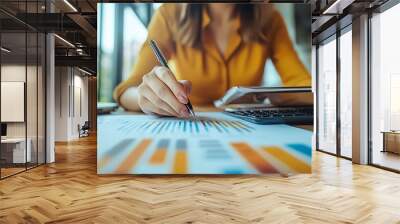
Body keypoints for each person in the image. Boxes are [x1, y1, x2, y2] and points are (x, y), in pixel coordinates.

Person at [113, 3, 311, 117]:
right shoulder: (169, 14)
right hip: (190, 123)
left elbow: (305, 86)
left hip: (251, 126)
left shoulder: (270, 18)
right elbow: (126, 90)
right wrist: (146, 98)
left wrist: (277, 95)